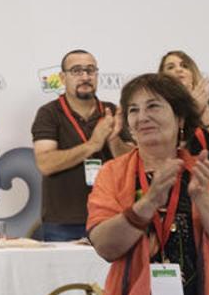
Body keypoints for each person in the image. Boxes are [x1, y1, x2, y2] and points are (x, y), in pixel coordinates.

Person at [87, 73, 209, 295]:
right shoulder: (113, 173)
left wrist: (202, 198)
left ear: (179, 117)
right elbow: (105, 247)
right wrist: (148, 203)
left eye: (153, 106)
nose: (142, 117)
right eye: (133, 110)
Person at [31, 50, 134, 241]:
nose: (85, 76)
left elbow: (131, 162)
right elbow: (46, 163)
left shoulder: (112, 111)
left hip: (111, 217)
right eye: (77, 71)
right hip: (63, 222)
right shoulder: (49, 113)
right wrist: (93, 144)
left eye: (90, 70)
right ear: (63, 77)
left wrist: (113, 140)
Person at [159, 50, 209, 163]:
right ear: (162, 78)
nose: (179, 69)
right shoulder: (157, 110)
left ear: (192, 73)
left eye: (184, 66)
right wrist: (192, 113)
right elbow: (163, 155)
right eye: (170, 67)